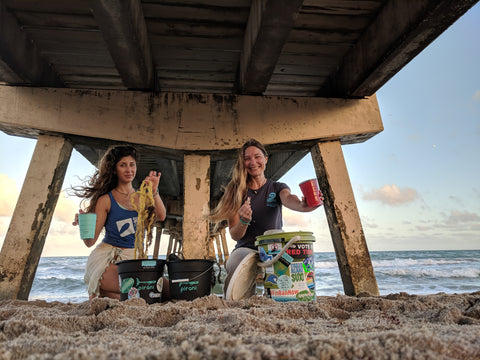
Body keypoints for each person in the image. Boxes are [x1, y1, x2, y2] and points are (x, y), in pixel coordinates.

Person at [210, 139, 323, 299]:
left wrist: (305, 205)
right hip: (246, 249)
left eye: (257, 157)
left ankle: (277, 294)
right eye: (247, 158)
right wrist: (244, 221)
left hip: (274, 248)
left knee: (291, 271)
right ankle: (239, 301)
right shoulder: (234, 191)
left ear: (266, 159)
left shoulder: (278, 187)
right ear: (242, 162)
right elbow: (235, 235)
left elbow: (290, 200)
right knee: (234, 267)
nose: (253, 162)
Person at [72, 145, 167, 300]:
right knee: (138, 289)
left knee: (165, 288)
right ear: (114, 169)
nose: (129, 169)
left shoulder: (142, 197)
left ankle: (109, 295)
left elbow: (161, 216)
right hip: (108, 259)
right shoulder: (106, 200)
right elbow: (90, 242)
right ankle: (109, 294)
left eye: (132, 165)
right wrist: (84, 224)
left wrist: (154, 191)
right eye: (123, 165)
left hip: (133, 258)